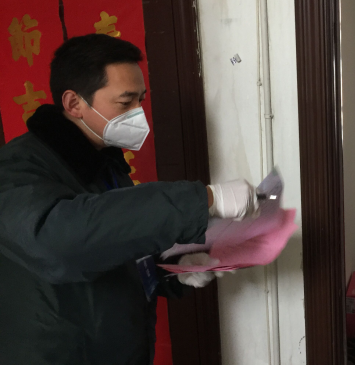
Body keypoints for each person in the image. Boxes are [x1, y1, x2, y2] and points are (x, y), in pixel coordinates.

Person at [0, 34, 257, 365]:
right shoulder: (17, 168)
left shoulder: (104, 161)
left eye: (141, 100)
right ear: (74, 103)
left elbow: (112, 240)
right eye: (125, 103)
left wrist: (170, 268)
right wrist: (203, 198)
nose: (139, 114)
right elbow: (62, 242)